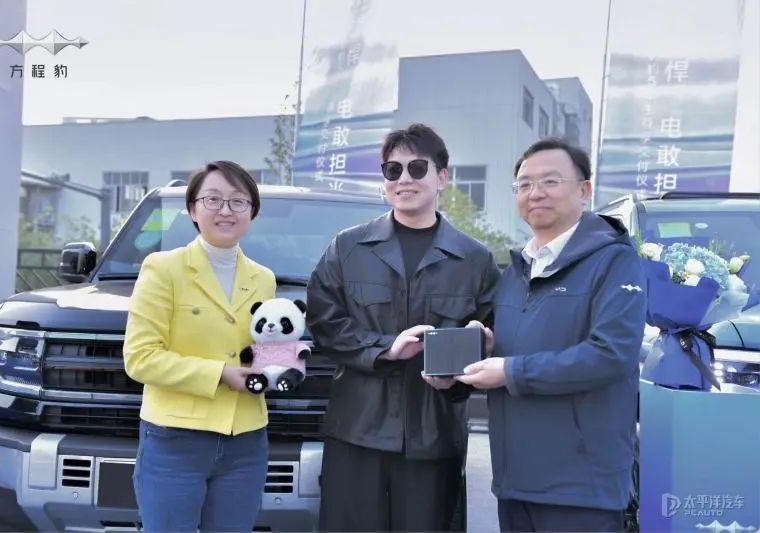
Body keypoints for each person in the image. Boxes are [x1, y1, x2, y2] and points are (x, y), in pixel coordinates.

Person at [306, 123, 499, 532]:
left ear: (442, 177)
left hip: (434, 436)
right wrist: (385, 348)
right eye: (393, 170)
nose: (404, 179)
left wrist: (469, 365)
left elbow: (492, 337)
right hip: (357, 431)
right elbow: (324, 322)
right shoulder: (348, 248)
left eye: (417, 168)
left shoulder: (475, 260)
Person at [458, 138, 646, 532]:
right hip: (515, 481)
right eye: (524, 184)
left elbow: (610, 355)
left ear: (584, 190)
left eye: (550, 181)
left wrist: (510, 371)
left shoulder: (615, 261)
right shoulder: (516, 271)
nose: (535, 193)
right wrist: (488, 347)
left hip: (581, 488)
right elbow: (526, 345)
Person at [123, 161, 276, 532]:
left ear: (251, 212)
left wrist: (281, 364)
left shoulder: (264, 279)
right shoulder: (163, 268)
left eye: (238, 201)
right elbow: (140, 358)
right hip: (175, 440)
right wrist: (220, 374)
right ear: (193, 209)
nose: (226, 210)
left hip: (246, 441)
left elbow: (261, 349)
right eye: (213, 199)